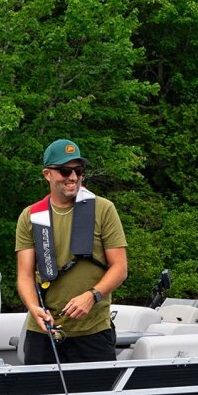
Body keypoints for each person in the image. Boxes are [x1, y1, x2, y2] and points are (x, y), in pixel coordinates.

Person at [15, 139, 128, 365]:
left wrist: (92, 296)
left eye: (79, 170)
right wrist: (33, 308)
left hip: (93, 332)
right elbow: (25, 275)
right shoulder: (31, 216)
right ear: (47, 174)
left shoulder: (103, 209)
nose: (73, 177)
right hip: (43, 333)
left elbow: (120, 268)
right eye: (65, 171)